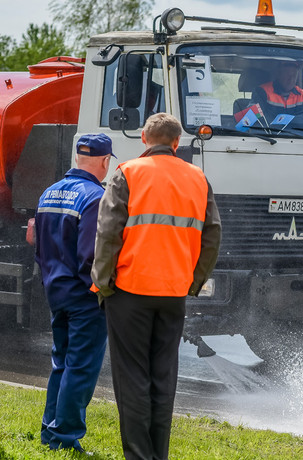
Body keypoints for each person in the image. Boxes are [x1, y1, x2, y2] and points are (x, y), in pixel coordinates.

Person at [91, 113, 221, 460]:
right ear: (176, 143)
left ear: (145, 139)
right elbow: (212, 236)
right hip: (174, 293)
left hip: (130, 290)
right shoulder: (198, 178)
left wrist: (102, 283)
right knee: (163, 377)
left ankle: (138, 456)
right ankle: (157, 455)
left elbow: (107, 233)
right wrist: (193, 283)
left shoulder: (128, 173)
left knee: (132, 377)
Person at [34, 133, 115, 452]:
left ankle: (50, 431)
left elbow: (39, 246)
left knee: (62, 362)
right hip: (84, 296)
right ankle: (65, 438)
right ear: (106, 161)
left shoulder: (49, 193)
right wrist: (103, 290)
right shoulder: (96, 197)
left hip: (56, 290)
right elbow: (90, 255)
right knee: (80, 367)